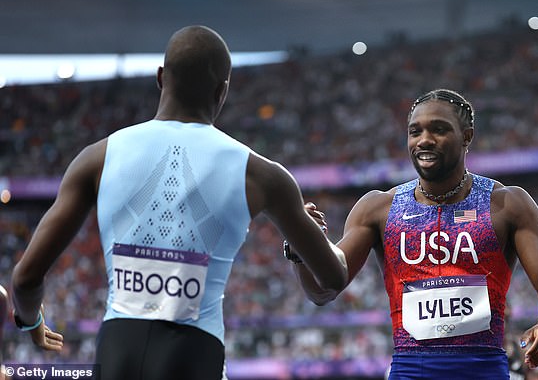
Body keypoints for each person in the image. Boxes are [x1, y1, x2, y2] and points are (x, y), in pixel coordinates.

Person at [10, 25, 347, 380]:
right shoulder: (262, 175)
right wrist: (302, 241)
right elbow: (333, 277)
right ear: (223, 91)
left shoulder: (97, 158)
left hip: (117, 353)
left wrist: (30, 321)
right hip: (196, 355)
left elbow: (26, 278)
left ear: (160, 78)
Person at [287, 89, 538, 379]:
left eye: (439, 129)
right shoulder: (377, 209)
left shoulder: (508, 204)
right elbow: (323, 291)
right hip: (409, 371)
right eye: (415, 131)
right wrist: (301, 246)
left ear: (467, 136)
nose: (424, 140)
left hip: (484, 370)